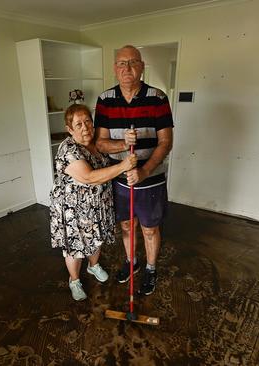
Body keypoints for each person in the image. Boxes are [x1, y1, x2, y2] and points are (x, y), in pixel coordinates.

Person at [95, 45, 174, 296]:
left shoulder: (158, 97)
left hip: (150, 180)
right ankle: (132, 263)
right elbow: (100, 142)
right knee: (127, 226)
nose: (126, 68)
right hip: (118, 177)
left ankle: (150, 267)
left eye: (132, 62)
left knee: (149, 228)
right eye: (121, 63)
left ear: (141, 66)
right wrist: (122, 145)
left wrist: (144, 171)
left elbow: (165, 142)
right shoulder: (105, 100)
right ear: (114, 68)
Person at [50, 103, 137, 301]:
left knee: (97, 239)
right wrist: (124, 165)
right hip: (75, 209)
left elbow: (110, 147)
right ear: (69, 129)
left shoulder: (95, 143)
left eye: (88, 121)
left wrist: (126, 143)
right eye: (78, 124)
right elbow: (88, 177)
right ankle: (74, 280)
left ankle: (93, 266)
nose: (85, 127)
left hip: (98, 205)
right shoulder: (68, 149)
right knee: (76, 247)